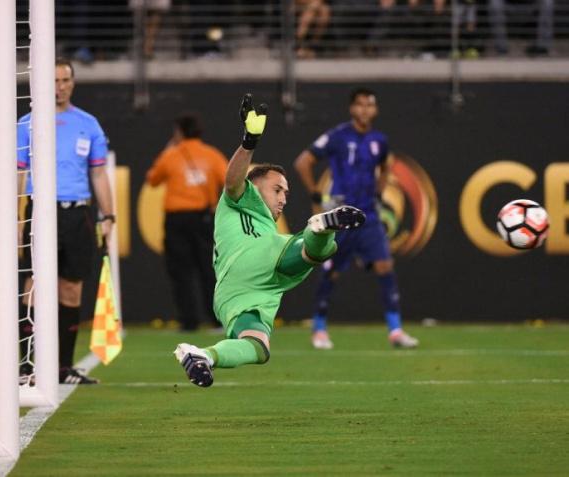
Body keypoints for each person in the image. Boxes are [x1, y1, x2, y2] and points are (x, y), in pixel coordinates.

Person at [173, 94, 365, 387]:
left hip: (233, 294)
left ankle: (202, 356)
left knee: (257, 347)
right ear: (255, 185)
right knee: (311, 248)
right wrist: (249, 141)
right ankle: (320, 229)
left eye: (287, 193)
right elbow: (233, 181)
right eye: (278, 189)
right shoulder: (242, 200)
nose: (283, 198)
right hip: (255, 259)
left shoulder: (264, 227)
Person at [293, 87, 418, 350]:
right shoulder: (338, 136)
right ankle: (319, 329)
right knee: (332, 270)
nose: (365, 110)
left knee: (385, 267)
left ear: (375, 109)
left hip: (369, 215)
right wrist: (317, 198)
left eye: (369, 105)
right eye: (360, 105)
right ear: (352, 108)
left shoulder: (379, 140)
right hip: (341, 216)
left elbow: (385, 165)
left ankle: (395, 331)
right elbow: (303, 162)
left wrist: (379, 190)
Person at [17, 58, 114, 384]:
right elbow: (19, 174)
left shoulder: (89, 123)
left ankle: (62, 367)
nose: (59, 87)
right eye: (54, 80)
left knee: (71, 288)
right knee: (33, 285)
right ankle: (27, 366)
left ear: (72, 82)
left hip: (77, 213)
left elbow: (99, 173)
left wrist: (109, 214)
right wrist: (16, 218)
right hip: (40, 211)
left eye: (65, 80)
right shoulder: (27, 124)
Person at [145, 113, 228, 331]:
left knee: (181, 272)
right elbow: (230, 180)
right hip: (203, 218)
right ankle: (217, 320)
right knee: (208, 269)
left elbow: (152, 180)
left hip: (177, 220)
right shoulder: (211, 154)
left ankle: (189, 321)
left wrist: (168, 148)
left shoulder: (171, 155)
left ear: (179, 132)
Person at [488, 0, 554, 56]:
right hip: (508, 5)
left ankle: (542, 48)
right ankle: (501, 48)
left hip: (531, 5)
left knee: (547, 1)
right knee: (494, 2)